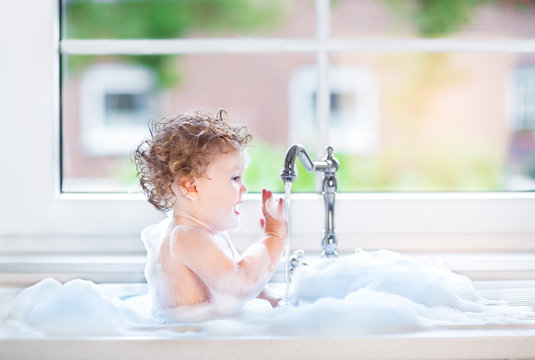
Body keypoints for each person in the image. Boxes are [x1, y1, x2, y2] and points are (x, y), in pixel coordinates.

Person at [133, 109, 287, 319]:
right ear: (191, 187)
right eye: (234, 178)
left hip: (202, 336)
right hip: (189, 344)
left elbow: (242, 284)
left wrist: (276, 301)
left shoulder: (205, 233)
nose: (244, 188)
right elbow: (240, 285)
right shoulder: (186, 237)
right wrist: (274, 237)